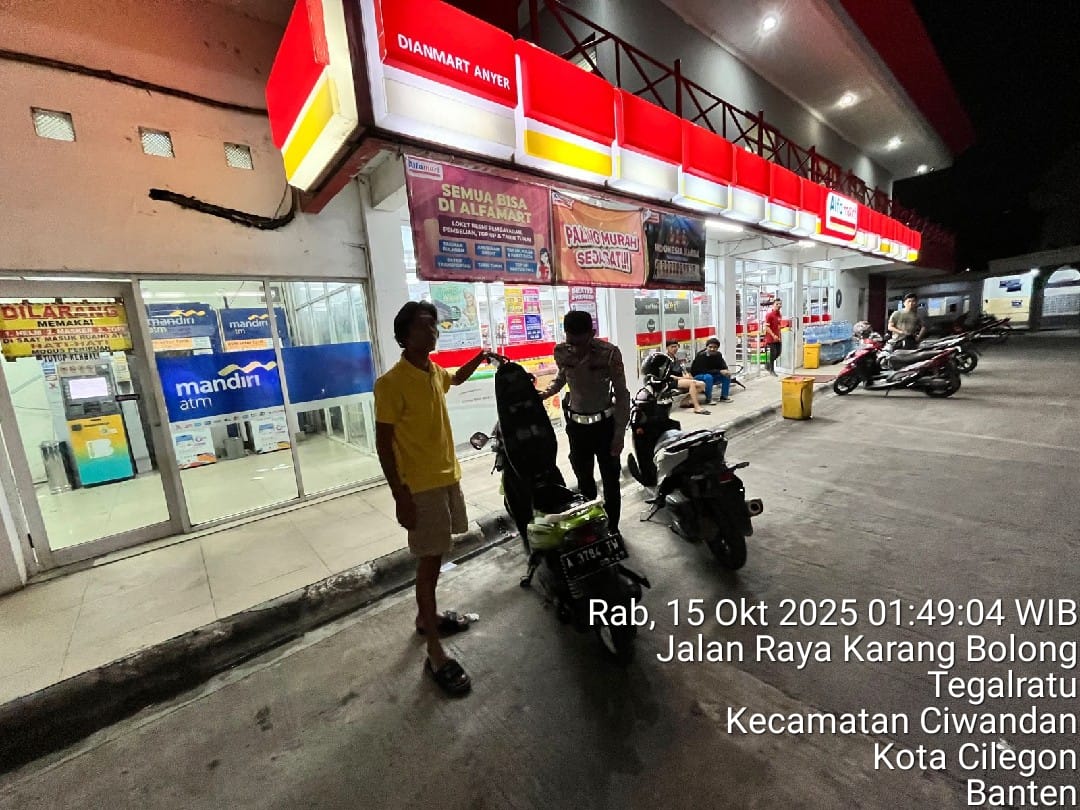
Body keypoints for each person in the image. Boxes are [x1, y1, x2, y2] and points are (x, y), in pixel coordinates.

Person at [374, 301, 490, 697]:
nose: (433, 331)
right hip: (420, 488)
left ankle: (427, 620)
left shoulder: (433, 371)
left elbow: (455, 378)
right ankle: (435, 652)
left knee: (437, 556)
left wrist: (481, 357)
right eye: (424, 325)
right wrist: (400, 496)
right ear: (404, 335)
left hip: (446, 478)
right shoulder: (390, 384)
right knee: (428, 563)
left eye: (434, 325)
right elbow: (384, 445)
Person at [540, 311, 630, 536]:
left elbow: (622, 394)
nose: (576, 348)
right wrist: (546, 392)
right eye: (571, 342)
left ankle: (613, 529)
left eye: (581, 342)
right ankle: (592, 529)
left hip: (604, 427)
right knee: (584, 482)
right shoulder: (562, 352)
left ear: (592, 333)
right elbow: (563, 376)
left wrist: (619, 434)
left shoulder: (609, 354)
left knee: (610, 481)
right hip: (577, 428)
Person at [663, 339, 710, 414]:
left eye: (676, 346)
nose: (675, 349)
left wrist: (687, 375)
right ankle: (697, 407)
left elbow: (683, 370)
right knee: (692, 383)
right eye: (672, 347)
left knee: (702, 384)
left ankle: (685, 401)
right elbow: (668, 376)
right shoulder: (665, 359)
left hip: (679, 380)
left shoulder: (676, 359)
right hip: (670, 381)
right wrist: (683, 378)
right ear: (667, 348)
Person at [690, 338, 733, 403]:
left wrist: (726, 371)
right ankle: (708, 399)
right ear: (706, 347)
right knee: (708, 377)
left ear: (717, 348)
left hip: (711, 374)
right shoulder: (701, 355)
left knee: (726, 375)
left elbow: (723, 365)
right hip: (698, 376)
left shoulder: (718, 355)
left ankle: (724, 397)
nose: (712, 349)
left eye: (715, 347)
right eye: (710, 347)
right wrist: (719, 371)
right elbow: (702, 370)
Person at [764, 299, 783, 376]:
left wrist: (779, 335)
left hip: (778, 338)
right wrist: (773, 335)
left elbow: (778, 326)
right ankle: (772, 370)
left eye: (780, 304)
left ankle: (768, 365)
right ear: (773, 305)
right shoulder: (769, 315)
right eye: (777, 304)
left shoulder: (779, 315)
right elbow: (766, 327)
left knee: (778, 353)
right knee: (773, 354)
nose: (779, 305)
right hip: (771, 338)